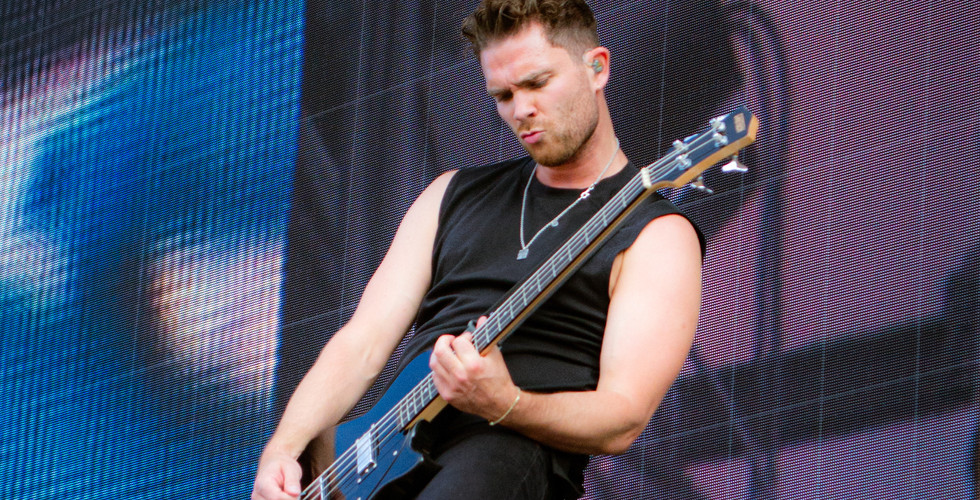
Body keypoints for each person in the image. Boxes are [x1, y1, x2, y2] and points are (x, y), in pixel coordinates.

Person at [252, 0, 703, 498]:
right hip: (386, 453)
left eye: (537, 83)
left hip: (508, 452)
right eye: (503, 95)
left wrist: (505, 402)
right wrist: (282, 452)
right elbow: (362, 343)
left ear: (597, 68)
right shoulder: (451, 193)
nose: (521, 110)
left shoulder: (657, 233)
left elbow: (624, 417)